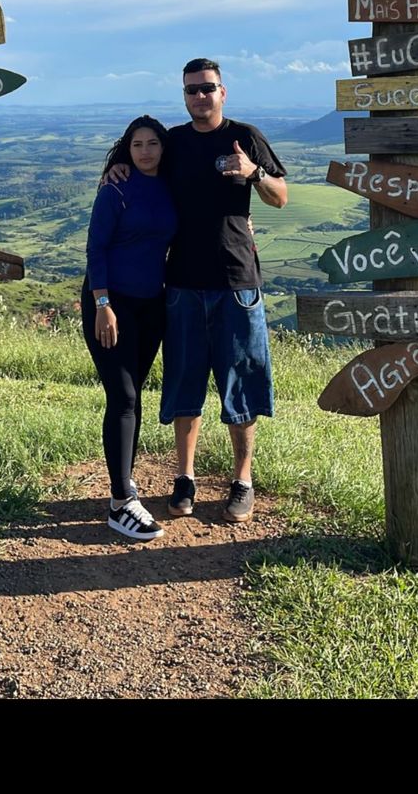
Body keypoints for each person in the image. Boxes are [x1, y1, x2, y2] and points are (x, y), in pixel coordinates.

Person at [108, 58, 287, 525]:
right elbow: (140, 163)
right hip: (182, 284)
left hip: (237, 282)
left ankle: (242, 481)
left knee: (240, 384)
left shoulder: (246, 136)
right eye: (191, 90)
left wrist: (252, 173)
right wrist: (116, 172)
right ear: (183, 95)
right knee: (184, 384)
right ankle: (183, 479)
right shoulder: (175, 142)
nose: (199, 97)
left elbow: (280, 196)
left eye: (207, 88)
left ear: (222, 92)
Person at [82, 115, 177, 542]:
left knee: (133, 395)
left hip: (150, 305)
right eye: (137, 145)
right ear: (127, 148)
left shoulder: (172, 186)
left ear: (162, 147)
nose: (144, 152)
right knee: (121, 396)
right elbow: (95, 249)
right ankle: (121, 502)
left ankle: (125, 482)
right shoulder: (115, 189)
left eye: (152, 143)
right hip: (110, 304)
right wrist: (103, 304)